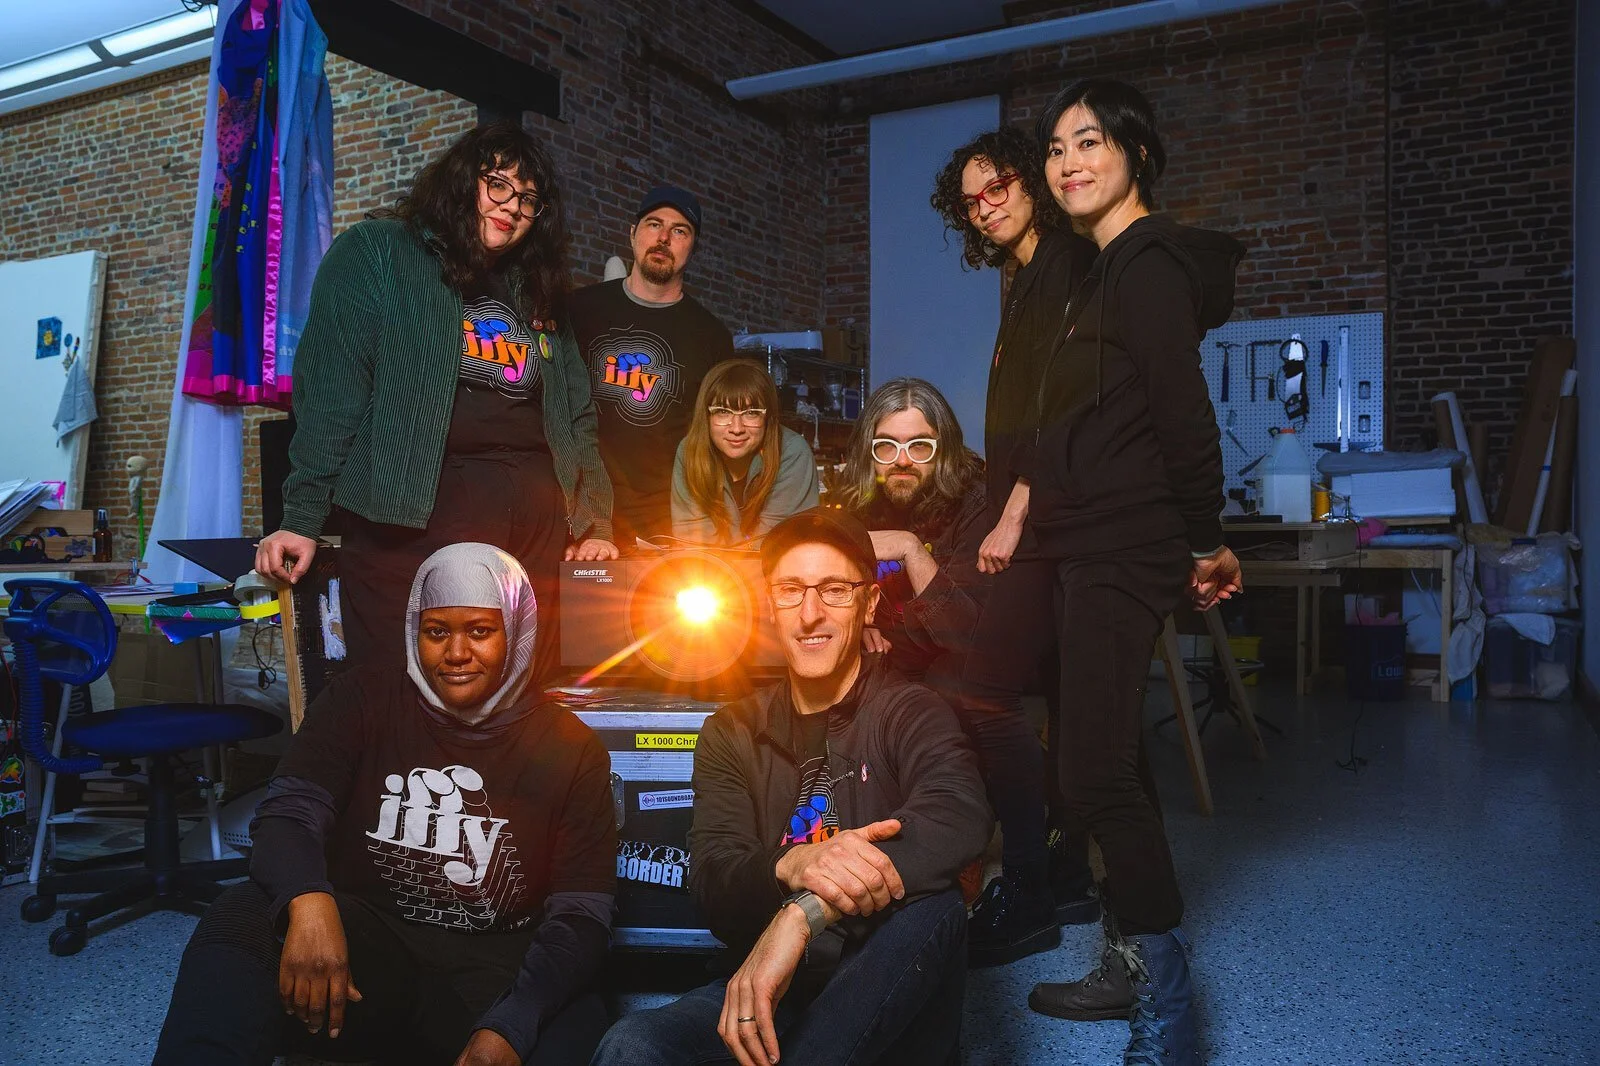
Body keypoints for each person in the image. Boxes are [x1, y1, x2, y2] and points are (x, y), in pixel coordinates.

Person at [153, 543, 618, 1066]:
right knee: (244, 913)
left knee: (582, 1028)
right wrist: (308, 901)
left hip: (499, 975)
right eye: (436, 632)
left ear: (516, 631)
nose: (456, 653)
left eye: (480, 632)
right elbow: (290, 812)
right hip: (370, 960)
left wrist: (512, 1025)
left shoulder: (571, 748)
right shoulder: (361, 699)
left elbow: (583, 913)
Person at [591, 508, 993, 1066]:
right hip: (770, 988)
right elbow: (715, 877)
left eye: (834, 590)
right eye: (790, 591)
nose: (810, 613)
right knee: (631, 1046)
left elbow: (960, 811)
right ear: (769, 606)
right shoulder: (732, 730)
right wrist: (793, 864)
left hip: (879, 983)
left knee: (937, 903)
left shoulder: (910, 710)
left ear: (869, 604)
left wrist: (803, 913)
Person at [1022, 79, 1244, 1065]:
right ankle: (1128, 961)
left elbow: (1182, 415)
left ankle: (1169, 1003)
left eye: (1089, 141)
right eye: (1055, 147)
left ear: (1137, 155)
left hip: (1125, 539)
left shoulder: (1147, 265)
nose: (1067, 162)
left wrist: (1203, 538)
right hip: (1087, 541)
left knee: (1090, 770)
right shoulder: (1101, 270)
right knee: (1111, 753)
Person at [254, 122, 616, 684]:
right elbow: (331, 392)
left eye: (528, 199)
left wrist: (595, 522)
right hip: (413, 521)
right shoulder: (378, 252)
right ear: (462, 180)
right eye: (499, 184)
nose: (513, 207)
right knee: (401, 692)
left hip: (534, 528)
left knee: (521, 695)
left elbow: (575, 412)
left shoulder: (536, 286)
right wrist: (301, 517)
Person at [929, 127, 1109, 971]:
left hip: (1047, 520)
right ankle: (1068, 878)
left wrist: (1014, 512)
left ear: (1031, 181)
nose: (985, 207)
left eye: (997, 187)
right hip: (1044, 519)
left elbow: (1064, 404)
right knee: (1065, 699)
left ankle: (1031, 891)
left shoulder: (1065, 264)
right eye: (971, 200)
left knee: (986, 691)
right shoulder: (1030, 272)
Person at [835, 377, 1079, 968]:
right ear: (868, 450)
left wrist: (909, 549)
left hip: (1008, 645)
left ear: (943, 447)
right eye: (887, 446)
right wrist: (862, 620)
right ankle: (912, 853)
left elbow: (965, 632)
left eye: (919, 445)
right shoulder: (860, 502)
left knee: (972, 692)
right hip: (920, 648)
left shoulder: (978, 500)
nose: (902, 461)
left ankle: (1027, 880)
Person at [569, 185, 735, 546]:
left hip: (668, 521)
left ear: (692, 247)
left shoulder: (712, 336)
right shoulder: (577, 310)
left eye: (679, 231)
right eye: (654, 224)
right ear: (633, 233)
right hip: (583, 516)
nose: (663, 238)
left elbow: (717, 441)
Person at [670, 358, 818, 546]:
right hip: (711, 564)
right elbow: (693, 539)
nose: (737, 428)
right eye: (723, 412)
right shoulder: (689, 452)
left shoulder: (792, 452)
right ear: (706, 416)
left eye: (751, 413)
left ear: (768, 417)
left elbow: (777, 542)